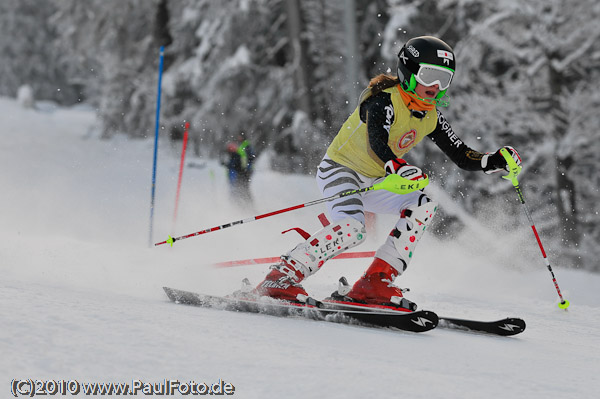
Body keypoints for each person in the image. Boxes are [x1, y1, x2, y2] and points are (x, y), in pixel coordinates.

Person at [252, 36, 522, 309]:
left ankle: (375, 281)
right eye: (429, 75)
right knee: (352, 229)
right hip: (341, 170)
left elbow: (462, 155)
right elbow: (377, 142)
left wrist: (493, 160)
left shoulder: (431, 116)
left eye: (444, 78)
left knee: (422, 205)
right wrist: (395, 164)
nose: (436, 86)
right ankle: (281, 277)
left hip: (378, 180)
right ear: (409, 71)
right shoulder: (383, 101)